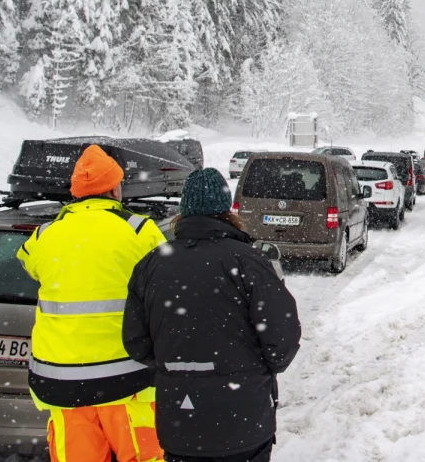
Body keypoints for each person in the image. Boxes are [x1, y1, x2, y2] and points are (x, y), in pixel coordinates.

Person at [123, 168, 301, 462]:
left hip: (180, 423)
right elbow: (282, 338)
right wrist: (255, 372)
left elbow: (136, 341)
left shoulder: (152, 265)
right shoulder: (250, 261)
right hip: (244, 420)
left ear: (183, 210)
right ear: (227, 209)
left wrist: (178, 367)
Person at [17, 144, 167, 462]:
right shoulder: (140, 231)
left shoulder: (44, 235)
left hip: (60, 382)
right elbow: (165, 282)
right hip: (128, 379)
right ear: (114, 188)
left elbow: (30, 266)